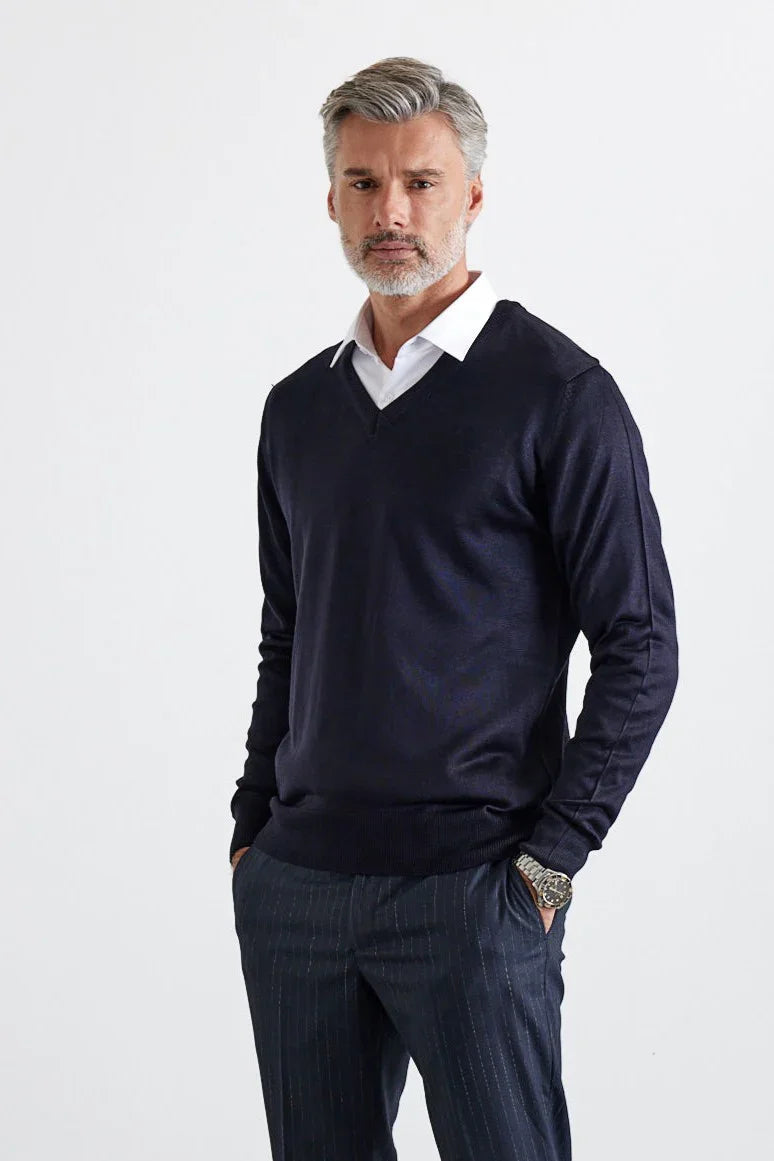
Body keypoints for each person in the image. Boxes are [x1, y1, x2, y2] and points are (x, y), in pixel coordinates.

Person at [228, 55, 679, 1161]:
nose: (391, 211)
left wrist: (550, 861)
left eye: (419, 182)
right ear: (331, 198)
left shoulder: (559, 394)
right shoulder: (297, 410)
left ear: (472, 195)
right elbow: (289, 632)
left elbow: (640, 646)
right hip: (298, 891)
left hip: (476, 893)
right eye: (363, 182)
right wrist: (252, 828)